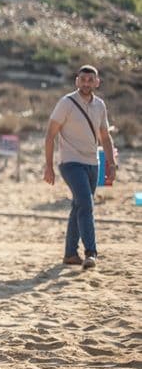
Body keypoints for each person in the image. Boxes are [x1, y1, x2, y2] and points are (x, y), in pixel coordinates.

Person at [44, 65, 117, 270]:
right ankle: (91, 253)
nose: (86, 83)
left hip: (93, 163)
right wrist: (48, 166)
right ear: (77, 81)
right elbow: (50, 135)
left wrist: (111, 163)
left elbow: (105, 137)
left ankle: (70, 254)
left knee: (78, 206)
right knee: (86, 204)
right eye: (82, 79)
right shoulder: (66, 103)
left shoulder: (100, 105)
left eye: (90, 80)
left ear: (97, 82)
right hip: (70, 163)